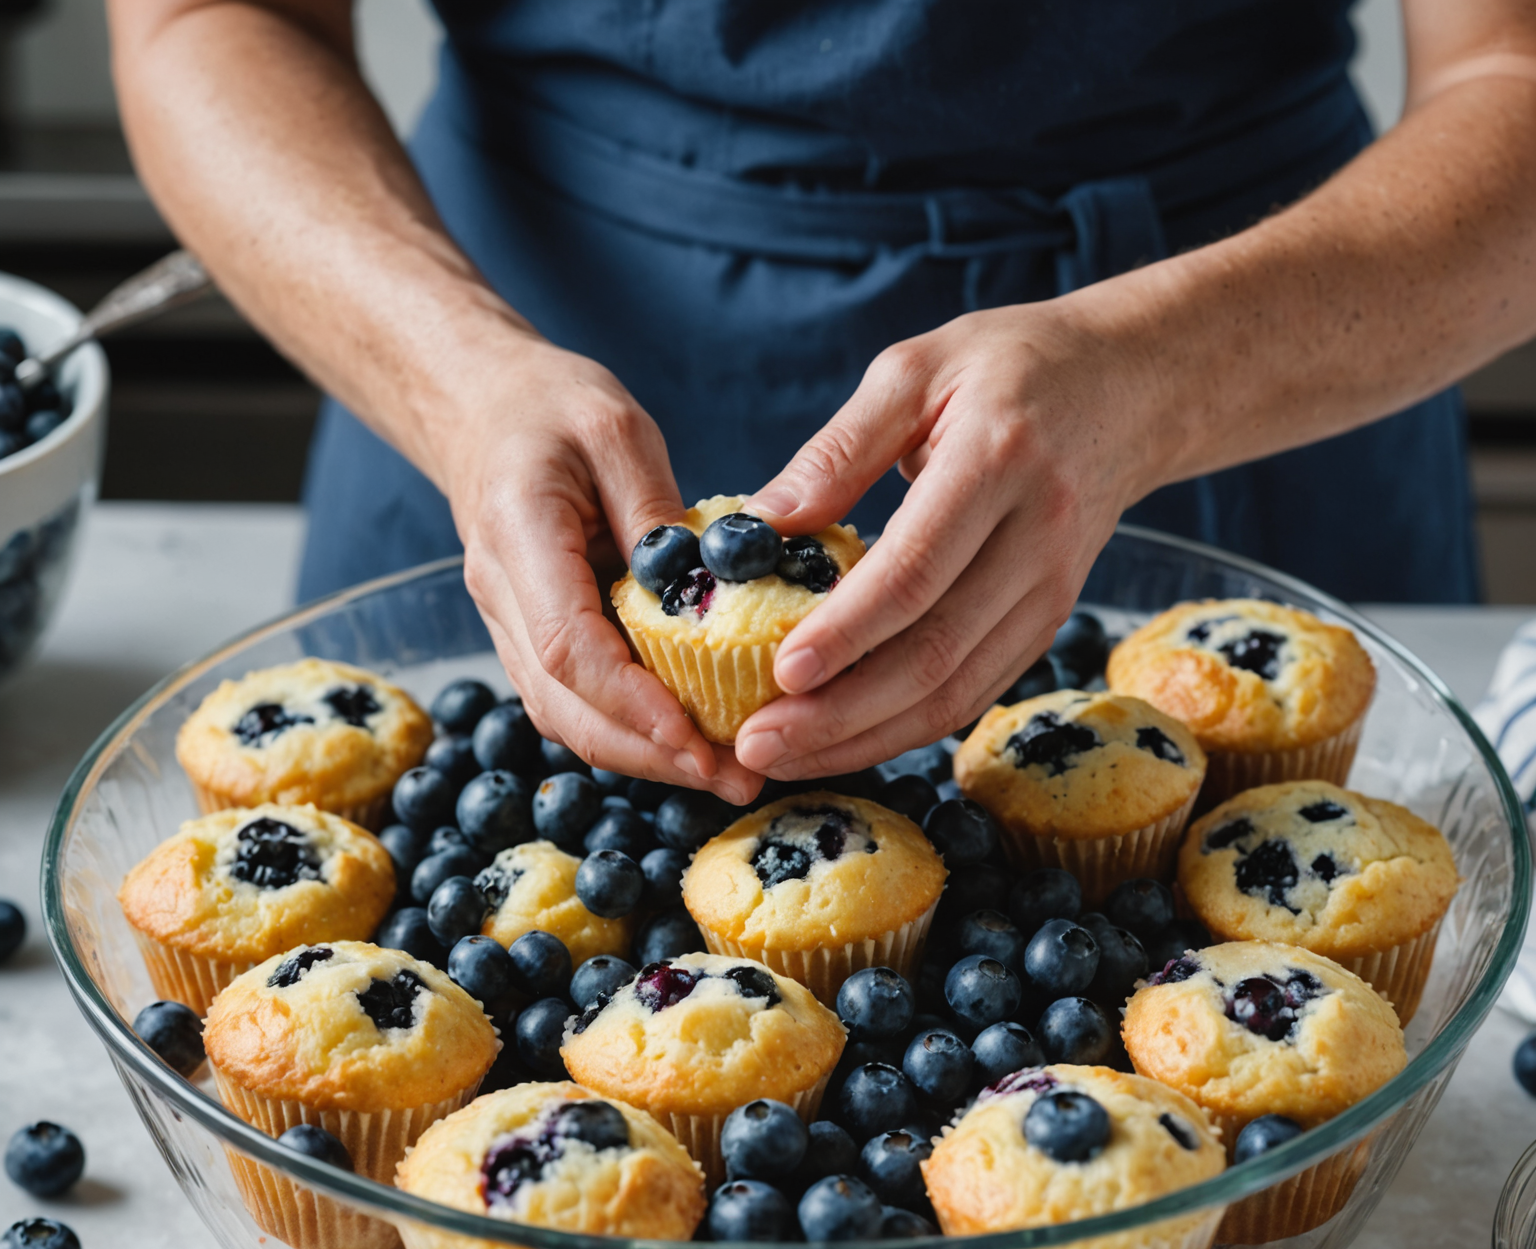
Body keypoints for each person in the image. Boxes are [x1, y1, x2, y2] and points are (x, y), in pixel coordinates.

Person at [108, 1, 1536, 804]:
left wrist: (1168, 369)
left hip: (1238, 346)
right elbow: (203, 20)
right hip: (491, 350)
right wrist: (455, 376)